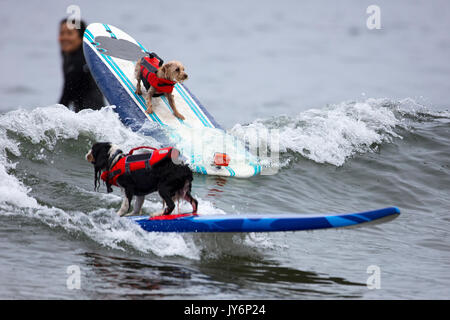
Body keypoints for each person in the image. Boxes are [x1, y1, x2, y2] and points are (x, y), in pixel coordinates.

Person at [58, 18, 105, 112]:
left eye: (69, 33)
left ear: (80, 37)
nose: (64, 37)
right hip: (90, 115)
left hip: (90, 115)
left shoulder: (80, 61)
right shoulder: (69, 55)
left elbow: (67, 94)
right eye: (62, 33)